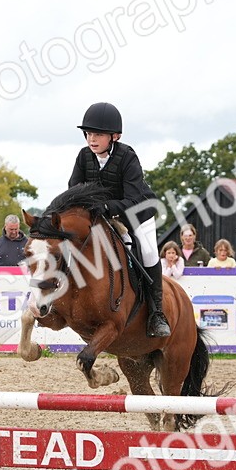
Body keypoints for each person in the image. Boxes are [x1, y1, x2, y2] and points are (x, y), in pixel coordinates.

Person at [67, 102, 169, 337]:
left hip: (137, 214)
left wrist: (104, 206)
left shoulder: (127, 157)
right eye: (89, 134)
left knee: (148, 252)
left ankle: (156, 314)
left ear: (115, 136)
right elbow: (73, 190)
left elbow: (133, 199)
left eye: (98, 134)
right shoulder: (84, 157)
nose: (92, 139)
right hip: (101, 216)